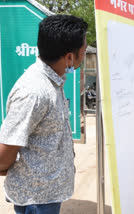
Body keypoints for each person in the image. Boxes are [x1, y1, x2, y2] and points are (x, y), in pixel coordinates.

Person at [0, 15, 88, 214]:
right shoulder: (33, 91)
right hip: (36, 199)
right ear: (69, 57)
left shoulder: (53, 80)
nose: (83, 56)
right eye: (83, 51)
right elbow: (5, 150)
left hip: (48, 193)